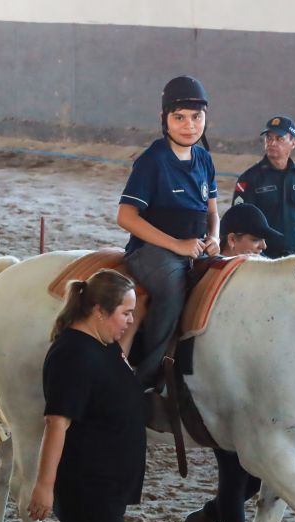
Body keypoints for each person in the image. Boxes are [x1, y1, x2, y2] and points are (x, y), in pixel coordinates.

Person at [182, 203, 282, 522]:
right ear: (232, 239)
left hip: (251, 389)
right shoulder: (208, 274)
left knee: (252, 478)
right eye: (256, 239)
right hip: (219, 390)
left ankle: (207, 518)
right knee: (235, 476)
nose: (263, 246)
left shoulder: (252, 276)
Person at [117, 75, 220, 388]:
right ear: (165, 119)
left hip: (194, 248)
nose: (189, 126)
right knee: (173, 289)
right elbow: (125, 217)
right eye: (179, 118)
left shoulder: (205, 159)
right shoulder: (152, 160)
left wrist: (215, 237)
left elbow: (213, 213)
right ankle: (148, 377)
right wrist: (176, 245)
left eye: (196, 117)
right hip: (151, 252)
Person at [27, 269, 146, 522]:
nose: (130, 320)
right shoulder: (72, 354)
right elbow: (57, 423)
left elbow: (110, 373)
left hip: (106, 490)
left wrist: (137, 321)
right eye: (126, 313)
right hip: (88, 491)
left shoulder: (104, 344)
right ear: (99, 310)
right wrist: (44, 486)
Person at [231, 115, 295, 259]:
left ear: (293, 143)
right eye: (269, 138)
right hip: (263, 258)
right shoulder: (249, 179)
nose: (272, 143)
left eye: (279, 139)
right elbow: (238, 223)